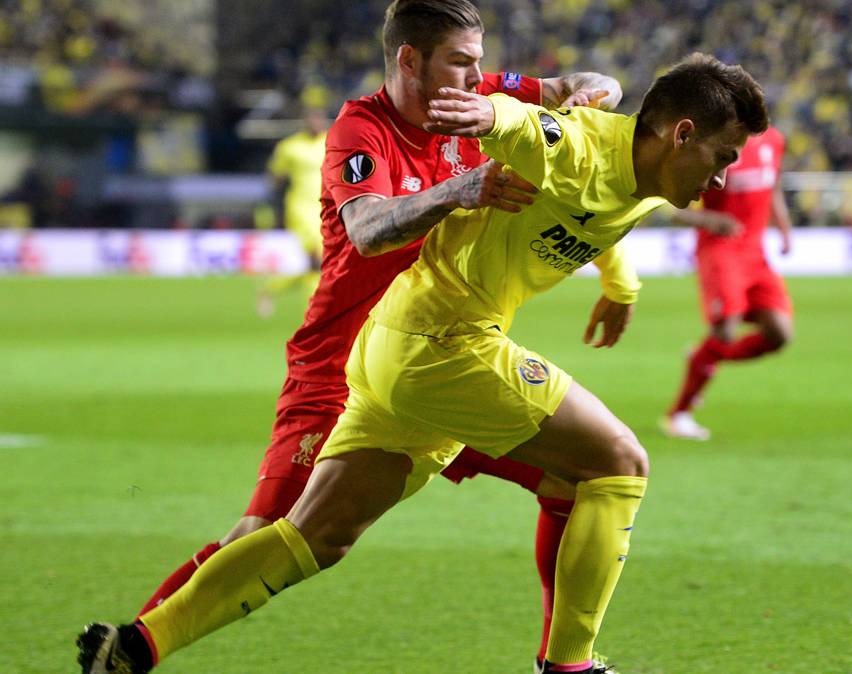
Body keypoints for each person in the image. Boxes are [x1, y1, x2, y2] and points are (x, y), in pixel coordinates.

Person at [77, 51, 768, 674]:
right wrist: (486, 113)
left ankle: (137, 645)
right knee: (619, 462)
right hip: (448, 345)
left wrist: (621, 286)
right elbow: (531, 130)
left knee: (317, 535)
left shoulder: (644, 176)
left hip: (394, 345)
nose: (726, 174)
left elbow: (603, 210)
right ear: (681, 133)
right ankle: (570, 671)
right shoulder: (578, 143)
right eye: (725, 154)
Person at [661, 126, 793, 440]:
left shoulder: (774, 140)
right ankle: (679, 414)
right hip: (720, 249)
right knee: (726, 329)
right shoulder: (713, 144)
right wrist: (710, 220)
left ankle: (702, 357)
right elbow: (668, 206)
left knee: (779, 334)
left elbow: (773, 188)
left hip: (756, 252)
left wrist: (785, 229)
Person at [257, 106, 328, 317]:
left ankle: (270, 289)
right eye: (313, 119)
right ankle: (315, 311)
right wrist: (271, 207)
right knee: (318, 259)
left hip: (325, 207)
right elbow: (275, 177)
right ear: (305, 122)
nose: (317, 124)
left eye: (320, 119)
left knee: (318, 265)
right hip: (300, 209)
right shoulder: (289, 147)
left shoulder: (332, 141)